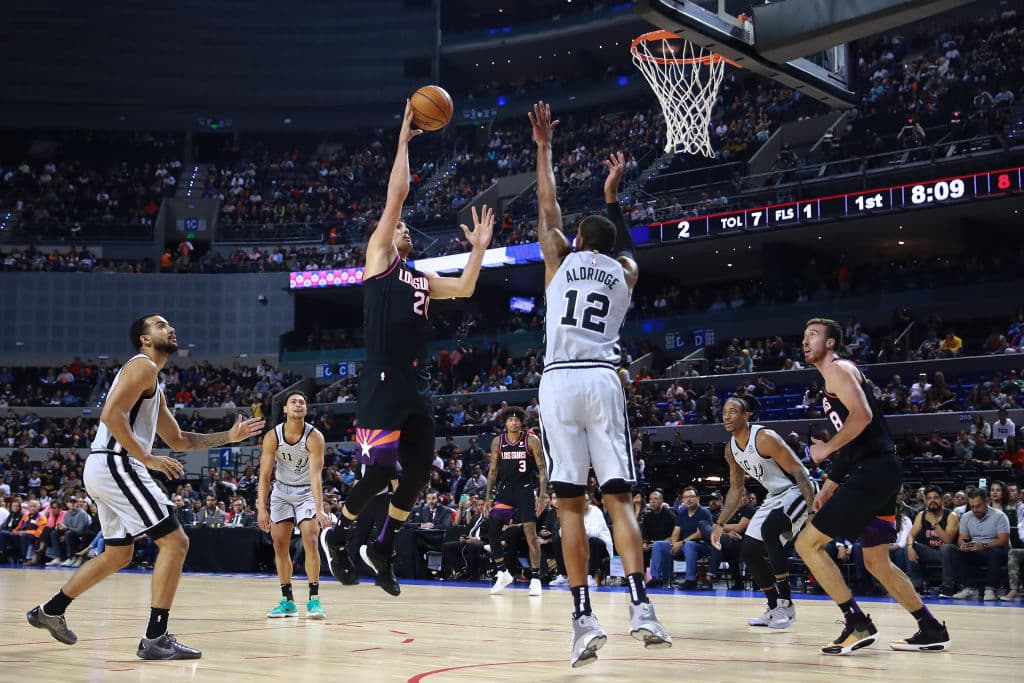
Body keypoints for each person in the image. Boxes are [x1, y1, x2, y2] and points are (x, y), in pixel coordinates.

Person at [317, 100, 494, 597]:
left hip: (416, 381)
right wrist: (402, 143)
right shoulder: (379, 259)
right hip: (381, 376)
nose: (401, 228)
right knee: (378, 472)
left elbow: (465, 288)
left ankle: (382, 547)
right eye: (396, 226)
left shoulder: (421, 277)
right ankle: (339, 532)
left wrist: (479, 250)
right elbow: (397, 195)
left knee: (417, 473)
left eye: (401, 227)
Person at [27, 314, 264, 659]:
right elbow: (110, 415)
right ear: (145, 339)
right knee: (176, 542)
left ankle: (51, 610)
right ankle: (156, 638)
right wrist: (147, 458)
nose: (171, 328)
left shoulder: (152, 382)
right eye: (160, 325)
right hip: (117, 462)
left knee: (118, 553)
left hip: (104, 466)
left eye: (170, 324)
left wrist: (227, 436)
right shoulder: (143, 366)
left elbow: (179, 440)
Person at [530, 101, 670, 668]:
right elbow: (628, 247)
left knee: (569, 506)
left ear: (576, 239)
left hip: (559, 382)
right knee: (619, 499)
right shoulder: (625, 273)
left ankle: (583, 618)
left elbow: (547, 204)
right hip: (603, 378)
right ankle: (641, 608)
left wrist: (544, 147)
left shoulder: (558, 259)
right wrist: (614, 197)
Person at [794, 318, 950, 655]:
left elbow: (862, 417)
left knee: (807, 544)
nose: (805, 341)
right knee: (877, 562)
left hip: (873, 472)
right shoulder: (837, 375)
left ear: (831, 342)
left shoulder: (838, 369)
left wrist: (825, 449)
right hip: (881, 471)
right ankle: (931, 628)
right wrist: (829, 485)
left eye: (813, 335)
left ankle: (857, 623)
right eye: (804, 336)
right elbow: (855, 439)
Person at [712, 395, 817, 629]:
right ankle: (772, 607)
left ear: (746, 415)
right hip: (775, 496)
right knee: (748, 551)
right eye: (724, 412)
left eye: (732, 411)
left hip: (798, 490)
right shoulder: (730, 449)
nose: (726, 416)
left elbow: (799, 472)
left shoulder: (765, 438)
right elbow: (736, 489)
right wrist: (719, 524)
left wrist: (811, 510)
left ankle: (786, 605)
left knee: (770, 529)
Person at [256, 390, 330, 619]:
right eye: (293, 402)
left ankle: (314, 599)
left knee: (310, 538)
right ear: (285, 409)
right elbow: (265, 475)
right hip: (281, 491)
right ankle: (287, 601)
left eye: (302, 402)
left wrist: (320, 508)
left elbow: (316, 476)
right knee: (279, 544)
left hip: (306, 491)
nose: (298, 405)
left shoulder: (315, 437)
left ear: (306, 409)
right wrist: (261, 508)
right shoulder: (272, 436)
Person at [485, 406, 547, 597]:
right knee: (492, 529)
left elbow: (542, 469)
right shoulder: (498, 442)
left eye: (517, 420)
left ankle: (535, 578)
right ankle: (502, 572)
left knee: (530, 534)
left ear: (521, 423)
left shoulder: (531, 440)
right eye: (510, 420)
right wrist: (487, 496)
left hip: (525, 491)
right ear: (505, 423)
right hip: (505, 491)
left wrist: (542, 495)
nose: (513, 423)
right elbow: (493, 471)